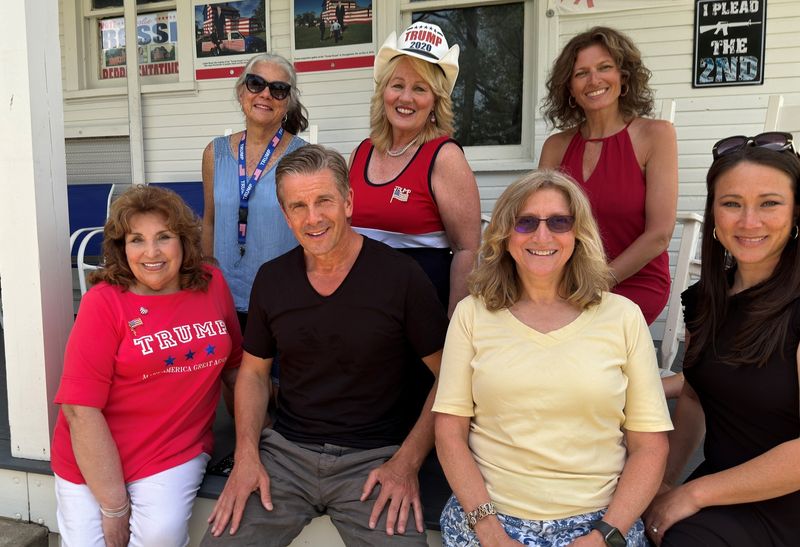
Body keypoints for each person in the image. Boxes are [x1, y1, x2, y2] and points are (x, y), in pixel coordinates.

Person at [200, 145, 449, 546]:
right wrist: (247, 454)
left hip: (374, 459)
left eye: (324, 201)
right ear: (285, 215)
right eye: (298, 206)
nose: (312, 218)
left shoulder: (401, 277)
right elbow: (253, 372)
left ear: (349, 202)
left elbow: (450, 378)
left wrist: (407, 462)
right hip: (285, 454)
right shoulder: (273, 279)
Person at [434, 169, 672, 546]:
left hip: (598, 521)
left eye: (559, 222)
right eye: (525, 222)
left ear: (578, 233)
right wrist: (490, 531)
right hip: (488, 516)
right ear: (504, 235)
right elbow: (449, 432)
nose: (542, 236)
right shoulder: (472, 314)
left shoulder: (623, 317)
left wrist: (604, 535)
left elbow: (650, 446)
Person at [51, 185, 242, 547]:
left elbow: (236, 368)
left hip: (173, 448)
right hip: (93, 454)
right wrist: (114, 507)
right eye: (136, 239)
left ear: (184, 241)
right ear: (122, 249)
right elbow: (80, 410)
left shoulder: (211, 284)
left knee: (159, 537)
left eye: (164, 237)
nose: (151, 252)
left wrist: (254, 438)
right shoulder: (103, 303)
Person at [645, 135, 800, 547]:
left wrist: (693, 495)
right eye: (732, 203)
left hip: (787, 501)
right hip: (722, 484)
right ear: (714, 212)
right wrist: (663, 484)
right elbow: (695, 397)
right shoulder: (703, 300)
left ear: (797, 209)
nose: (749, 222)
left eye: (770, 202)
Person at [539, 26, 676, 325]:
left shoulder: (656, 135)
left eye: (604, 68)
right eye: (581, 73)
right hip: (567, 284)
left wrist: (596, 281)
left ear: (623, 77)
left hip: (635, 282)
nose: (594, 80)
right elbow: (540, 224)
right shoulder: (555, 147)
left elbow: (659, 235)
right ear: (570, 88)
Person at [349, 21, 481, 316]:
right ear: (384, 92)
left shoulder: (445, 157)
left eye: (420, 88)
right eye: (397, 85)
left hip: (420, 322)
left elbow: (467, 250)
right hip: (361, 314)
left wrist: (453, 328)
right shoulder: (361, 152)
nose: (405, 98)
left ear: (435, 102)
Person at [201, 52, 308, 330]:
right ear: (241, 91)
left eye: (278, 89)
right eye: (256, 83)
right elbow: (210, 220)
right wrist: (204, 280)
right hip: (224, 296)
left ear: (288, 102)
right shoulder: (216, 153)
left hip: (283, 298)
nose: (265, 94)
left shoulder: (304, 158)